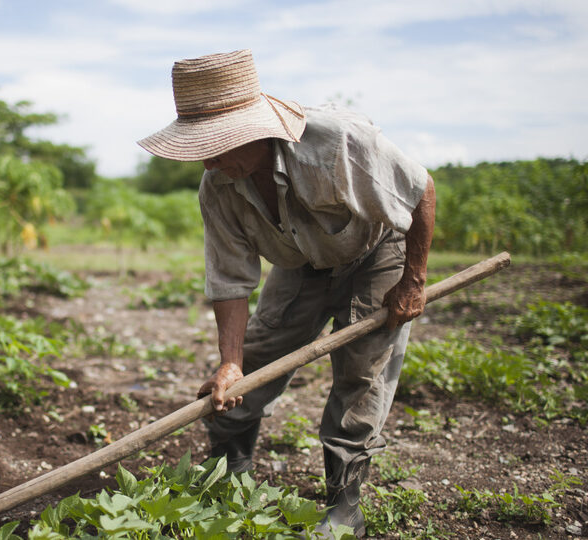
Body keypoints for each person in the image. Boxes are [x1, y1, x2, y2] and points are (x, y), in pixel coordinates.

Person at [138, 49, 435, 538]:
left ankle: (345, 506)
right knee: (249, 368)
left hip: (376, 252)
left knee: (362, 372)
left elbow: (421, 191)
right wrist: (229, 361)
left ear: (255, 129)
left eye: (218, 143)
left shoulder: (337, 141)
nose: (208, 158)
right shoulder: (218, 186)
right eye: (200, 146)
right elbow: (230, 279)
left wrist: (413, 281)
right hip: (299, 265)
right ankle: (230, 473)